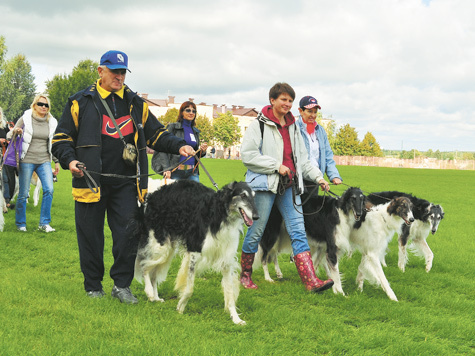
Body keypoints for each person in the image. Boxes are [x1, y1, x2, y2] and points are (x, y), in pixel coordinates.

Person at [52, 50, 195, 304]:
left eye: (122, 72)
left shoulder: (135, 104)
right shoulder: (80, 102)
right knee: (90, 236)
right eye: (114, 71)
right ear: (100, 71)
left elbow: (157, 134)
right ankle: (93, 286)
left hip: (127, 183)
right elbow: (62, 138)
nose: (119, 76)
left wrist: (178, 145)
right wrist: (70, 160)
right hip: (90, 180)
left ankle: (121, 285)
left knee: (128, 235)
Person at [240, 82, 334, 293]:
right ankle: (245, 275)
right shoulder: (259, 125)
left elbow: (303, 160)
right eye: (283, 99)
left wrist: (319, 177)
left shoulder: (293, 127)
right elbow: (248, 156)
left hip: (290, 187)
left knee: (298, 231)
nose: (287, 104)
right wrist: (276, 166)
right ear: (272, 100)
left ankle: (311, 281)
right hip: (265, 186)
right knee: (256, 232)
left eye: (290, 100)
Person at [9, 94, 59, 232]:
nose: (43, 107)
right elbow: (9, 135)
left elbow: (52, 143)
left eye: (46, 105)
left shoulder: (52, 122)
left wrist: (56, 162)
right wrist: (16, 131)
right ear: (34, 105)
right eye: (41, 104)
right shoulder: (26, 118)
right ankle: (20, 224)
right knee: (24, 193)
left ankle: (44, 223)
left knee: (49, 189)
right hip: (27, 160)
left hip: (44, 161)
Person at [151, 101, 207, 182]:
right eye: (188, 110)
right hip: (175, 172)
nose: (191, 113)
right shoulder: (172, 127)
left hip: (192, 173)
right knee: (172, 195)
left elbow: (194, 154)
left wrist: (202, 151)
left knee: (197, 194)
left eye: (193, 111)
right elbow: (162, 149)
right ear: (182, 113)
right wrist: (166, 168)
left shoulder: (195, 131)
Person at [296, 96, 342, 192]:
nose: (313, 115)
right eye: (309, 111)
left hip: (316, 179)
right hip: (299, 179)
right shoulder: (294, 129)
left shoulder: (320, 131)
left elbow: (328, 156)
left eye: (315, 112)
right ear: (301, 111)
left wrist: (334, 176)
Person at [0, 107, 16, 210]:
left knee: (6, 179)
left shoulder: (4, 127)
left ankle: (6, 201)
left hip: (4, 155)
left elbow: (8, 137)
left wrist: (7, 141)